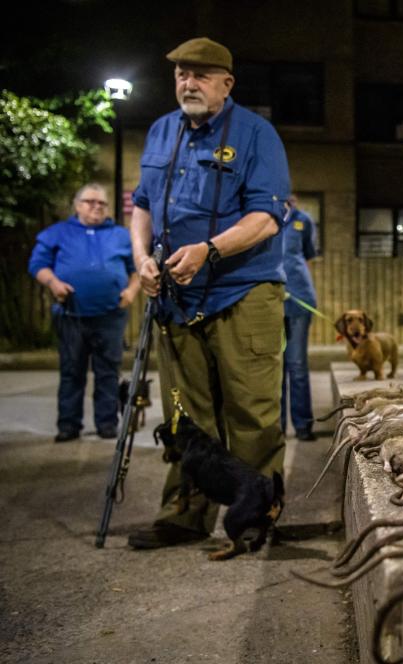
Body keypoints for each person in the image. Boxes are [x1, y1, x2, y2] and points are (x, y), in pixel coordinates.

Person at [126, 37, 291, 549]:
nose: (188, 83)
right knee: (185, 414)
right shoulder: (160, 132)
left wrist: (209, 251)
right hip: (176, 296)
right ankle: (184, 511)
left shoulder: (256, 134)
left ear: (226, 83)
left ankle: (254, 515)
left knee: (251, 412)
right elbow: (142, 206)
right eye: (180, 74)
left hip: (243, 291)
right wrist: (141, 259)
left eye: (200, 75)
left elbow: (266, 218)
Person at [28, 183, 139, 442]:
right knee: (71, 371)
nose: (96, 207)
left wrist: (132, 291)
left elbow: (136, 268)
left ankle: (107, 423)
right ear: (77, 205)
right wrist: (54, 283)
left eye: (102, 203)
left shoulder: (121, 235)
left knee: (108, 371)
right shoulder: (57, 233)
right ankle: (68, 425)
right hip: (71, 315)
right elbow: (37, 264)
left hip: (110, 314)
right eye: (90, 201)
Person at [281, 195, 319, 441]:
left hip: (298, 300)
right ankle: (277, 428)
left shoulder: (302, 220)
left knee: (297, 366)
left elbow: (307, 257)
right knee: (274, 370)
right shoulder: (261, 217)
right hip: (269, 304)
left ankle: (303, 425)